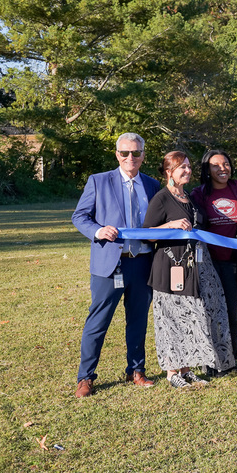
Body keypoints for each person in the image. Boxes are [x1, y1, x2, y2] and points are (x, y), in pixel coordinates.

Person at [71, 133, 161, 397]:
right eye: (125, 153)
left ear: (143, 154)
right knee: (97, 322)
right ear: (116, 154)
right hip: (109, 265)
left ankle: (136, 370)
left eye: (136, 153)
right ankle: (85, 377)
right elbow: (80, 216)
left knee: (138, 320)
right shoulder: (98, 181)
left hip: (143, 262)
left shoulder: (152, 185)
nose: (130, 158)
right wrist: (98, 231)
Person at [143, 151, 235, 389]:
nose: (187, 170)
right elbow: (146, 233)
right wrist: (171, 225)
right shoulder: (162, 198)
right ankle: (172, 372)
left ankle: (187, 369)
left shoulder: (189, 198)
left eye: (188, 166)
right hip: (171, 268)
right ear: (168, 172)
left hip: (196, 268)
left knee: (192, 318)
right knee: (172, 320)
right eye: (180, 167)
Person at [190, 149, 237, 374]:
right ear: (207, 169)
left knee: (232, 314)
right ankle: (210, 362)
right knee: (209, 313)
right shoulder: (199, 194)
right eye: (216, 165)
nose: (222, 168)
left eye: (226, 164)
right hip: (209, 263)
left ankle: (230, 360)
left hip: (234, 262)